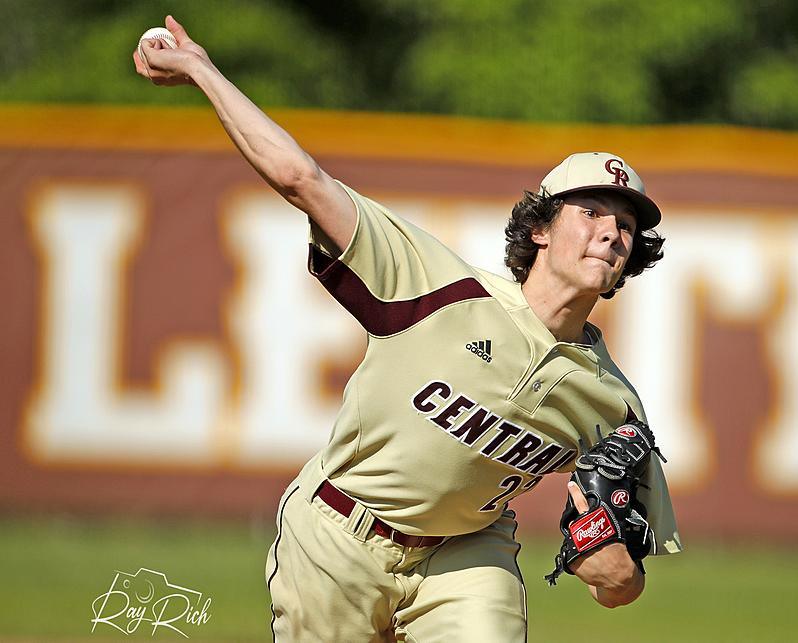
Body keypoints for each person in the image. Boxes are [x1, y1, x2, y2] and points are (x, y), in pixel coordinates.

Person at [135, 16, 681, 642]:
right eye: (590, 212)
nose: (611, 232)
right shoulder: (439, 286)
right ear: (540, 229)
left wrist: (615, 572)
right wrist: (203, 70)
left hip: (466, 555)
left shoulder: (612, 406)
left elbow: (622, 584)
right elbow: (301, 179)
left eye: (626, 226)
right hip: (339, 534)